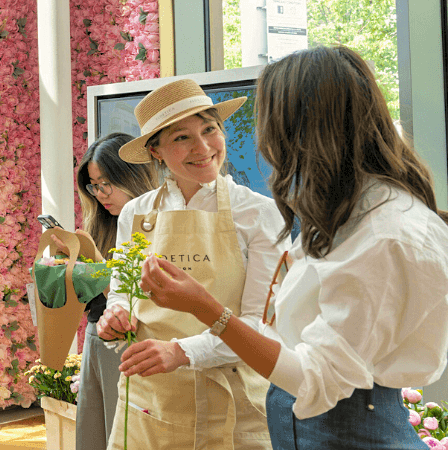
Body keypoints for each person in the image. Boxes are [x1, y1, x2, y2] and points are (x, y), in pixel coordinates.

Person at [138, 46, 448, 450]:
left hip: (349, 429)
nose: (263, 139)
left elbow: (315, 379)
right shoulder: (346, 212)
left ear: (303, 127)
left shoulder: (384, 236)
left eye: (268, 120)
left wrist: (205, 310)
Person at [95, 78, 286, 449]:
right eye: (182, 137)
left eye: (209, 129)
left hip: (233, 398)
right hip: (152, 402)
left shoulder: (260, 214)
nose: (203, 148)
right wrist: (115, 314)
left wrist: (181, 351)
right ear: (156, 151)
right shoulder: (136, 213)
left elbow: (260, 329)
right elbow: (123, 290)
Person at [70, 133, 157, 450]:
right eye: (94, 184)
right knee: (93, 434)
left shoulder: (153, 224)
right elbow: (87, 301)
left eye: (106, 182)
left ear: (132, 175)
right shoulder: (104, 222)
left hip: (130, 343)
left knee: (123, 434)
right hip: (95, 339)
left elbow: (138, 296)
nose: (100, 193)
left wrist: (93, 261)